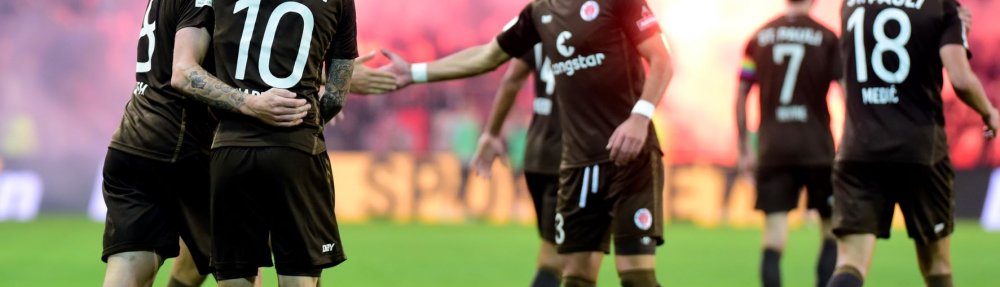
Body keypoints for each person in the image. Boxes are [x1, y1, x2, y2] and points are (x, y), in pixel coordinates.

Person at [378, 0, 672, 285]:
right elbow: (487, 56)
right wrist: (414, 72)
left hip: (631, 158)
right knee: (576, 275)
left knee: (636, 275)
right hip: (578, 165)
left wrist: (640, 117)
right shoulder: (538, 12)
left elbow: (661, 59)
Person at [100, 0, 312, 286]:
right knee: (241, 263)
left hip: (133, 143)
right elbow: (184, 73)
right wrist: (251, 103)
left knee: (131, 265)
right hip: (186, 145)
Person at [827, 1, 998, 286]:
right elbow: (961, 79)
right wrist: (989, 112)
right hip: (921, 149)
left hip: (860, 146)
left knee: (850, 263)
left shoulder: (851, 4)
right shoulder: (941, 7)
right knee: (937, 266)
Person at [206, 0, 358, 285]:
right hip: (296, 148)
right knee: (300, 275)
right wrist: (307, 120)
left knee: (235, 275)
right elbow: (337, 95)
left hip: (230, 147)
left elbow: (196, 66)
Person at [735, 0, 841, 286]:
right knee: (831, 231)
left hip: (773, 149)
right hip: (818, 147)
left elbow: (743, 92)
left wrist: (745, 147)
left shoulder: (759, 38)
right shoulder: (828, 38)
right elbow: (845, 92)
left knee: (774, 236)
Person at [470, 48, 565, 287]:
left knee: (560, 260)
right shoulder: (576, 21)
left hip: (541, 155)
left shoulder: (537, 18)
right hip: (569, 155)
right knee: (571, 262)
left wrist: (418, 72)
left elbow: (494, 62)